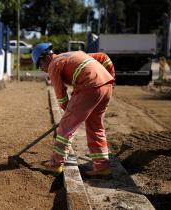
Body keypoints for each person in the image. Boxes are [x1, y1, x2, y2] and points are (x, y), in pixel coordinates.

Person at [31, 43, 115, 177]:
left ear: (45, 57)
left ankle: (55, 164)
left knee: (66, 127)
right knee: (96, 127)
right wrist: (111, 77)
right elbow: (104, 57)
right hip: (106, 86)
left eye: (39, 65)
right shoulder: (72, 54)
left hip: (89, 86)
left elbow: (61, 96)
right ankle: (102, 166)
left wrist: (69, 115)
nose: (41, 69)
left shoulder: (53, 64)